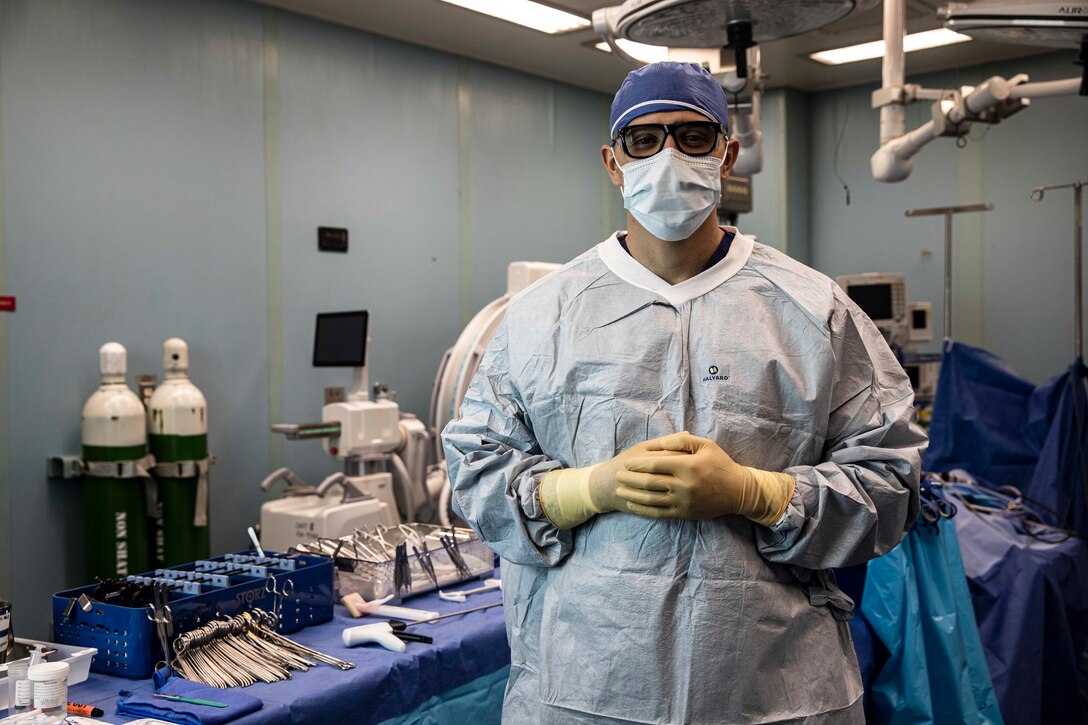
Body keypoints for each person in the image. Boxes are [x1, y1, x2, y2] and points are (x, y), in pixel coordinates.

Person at [443, 62, 926, 724]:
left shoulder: (812, 309)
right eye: (644, 140)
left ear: (727, 154)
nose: (668, 155)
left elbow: (892, 480)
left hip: (773, 692)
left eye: (693, 137)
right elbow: (475, 466)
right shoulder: (542, 316)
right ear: (614, 163)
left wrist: (758, 494)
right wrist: (588, 489)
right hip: (584, 693)